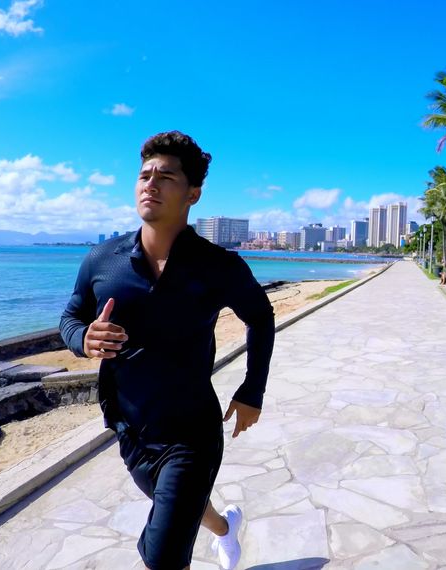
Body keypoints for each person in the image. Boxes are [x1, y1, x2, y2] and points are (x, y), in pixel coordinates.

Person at [59, 131, 275, 570]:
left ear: (192, 193)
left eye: (165, 176)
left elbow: (261, 317)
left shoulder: (218, 266)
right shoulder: (103, 260)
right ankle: (225, 528)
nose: (150, 184)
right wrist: (83, 339)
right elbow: (70, 317)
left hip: (191, 429)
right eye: (144, 175)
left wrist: (253, 390)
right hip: (129, 427)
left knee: (162, 556)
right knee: (177, 504)